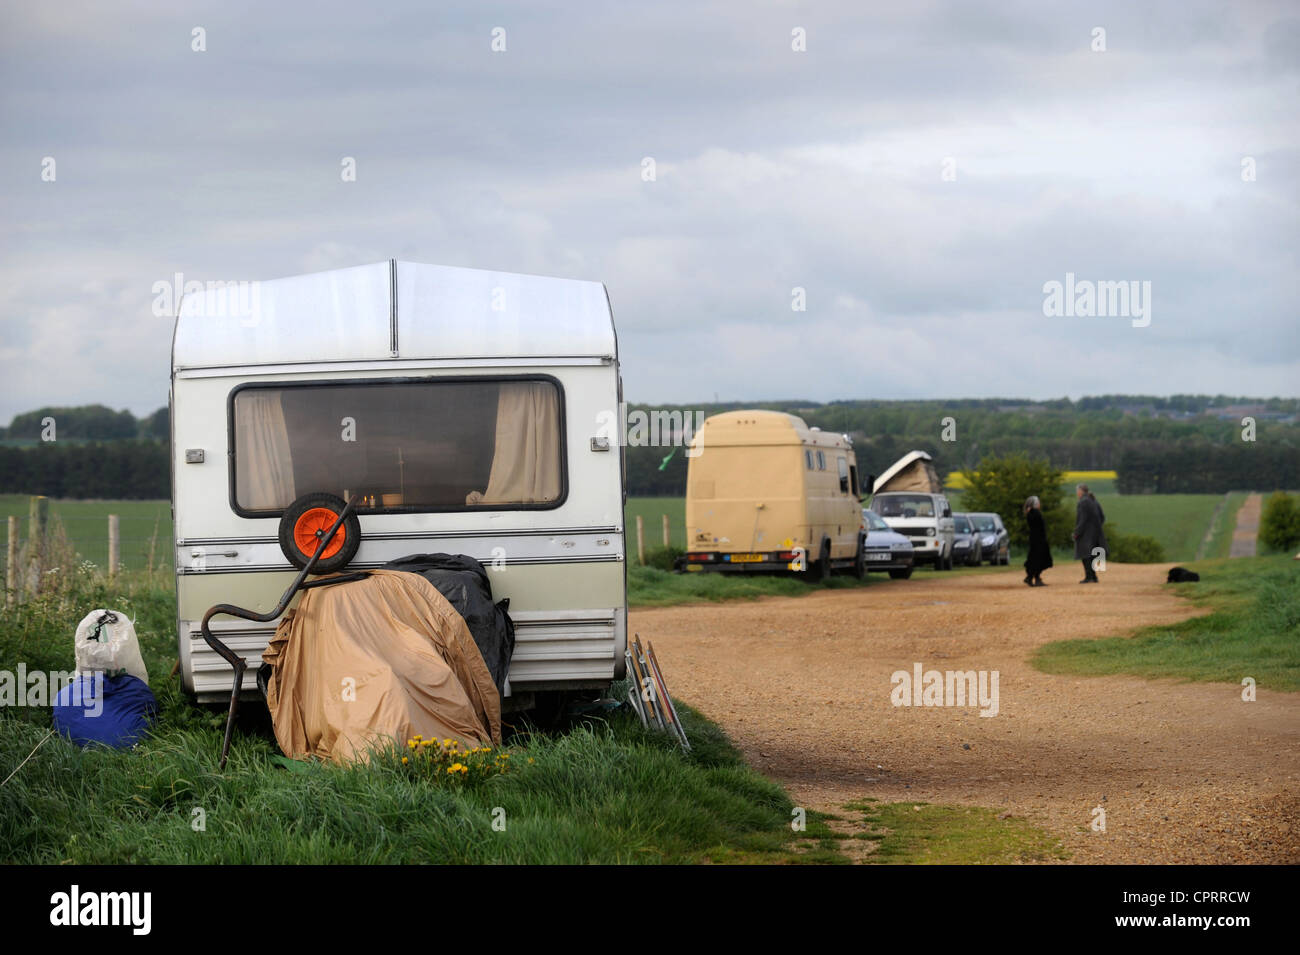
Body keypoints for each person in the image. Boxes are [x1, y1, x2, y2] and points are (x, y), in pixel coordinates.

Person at [1072, 483, 1107, 584]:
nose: (1077, 494)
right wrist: (1097, 527)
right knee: (1092, 555)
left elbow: (1082, 520)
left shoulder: (1083, 502)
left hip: (1086, 534)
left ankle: (1089, 577)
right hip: (1096, 533)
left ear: (1080, 491)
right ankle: (1093, 576)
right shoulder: (1094, 500)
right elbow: (1102, 517)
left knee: (1085, 555)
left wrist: (1077, 532)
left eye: (1077, 491)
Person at [1023, 495, 1052, 586]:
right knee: (1038, 559)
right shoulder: (1035, 513)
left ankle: (1034, 577)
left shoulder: (1031, 513)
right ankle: (1031, 577)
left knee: (1036, 558)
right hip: (1038, 540)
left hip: (1035, 539)